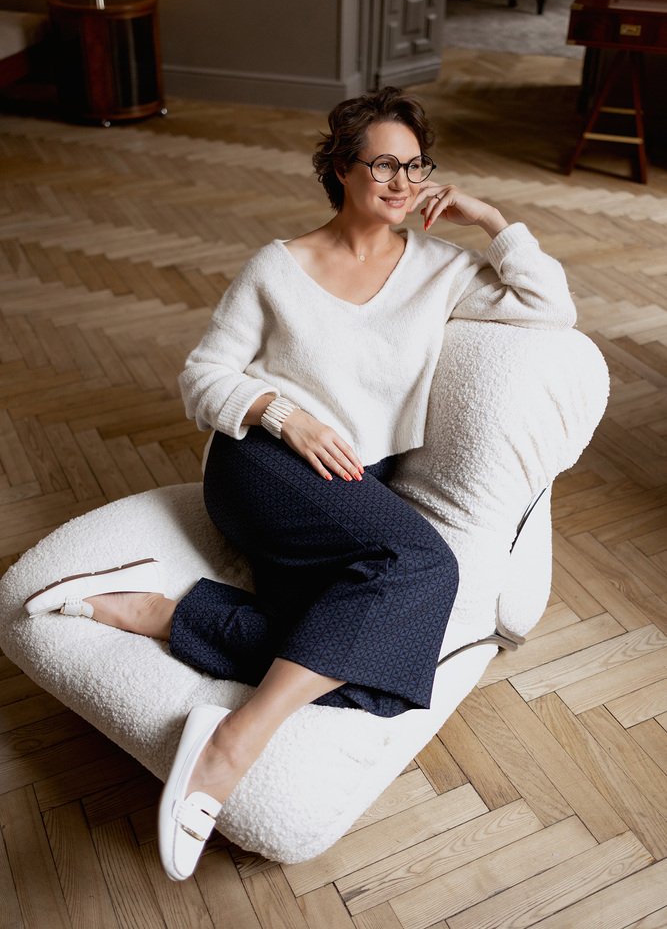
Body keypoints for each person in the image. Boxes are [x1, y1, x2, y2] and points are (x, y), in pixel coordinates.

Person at [23, 87, 576, 880]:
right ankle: (229, 746)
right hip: (260, 464)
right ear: (340, 169)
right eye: (382, 164)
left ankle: (164, 613)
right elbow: (202, 377)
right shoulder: (278, 267)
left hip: (353, 489)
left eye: (415, 165)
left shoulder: (442, 269)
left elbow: (550, 308)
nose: (402, 181)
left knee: (383, 662)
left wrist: (490, 220)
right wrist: (284, 415)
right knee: (424, 567)